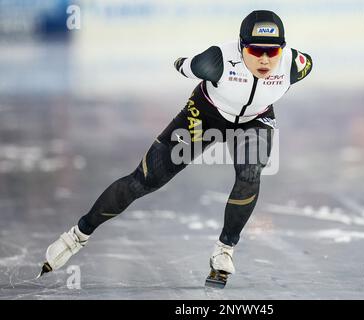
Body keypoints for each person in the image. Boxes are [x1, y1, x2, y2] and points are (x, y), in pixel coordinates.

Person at [39, 10, 313, 288]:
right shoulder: (215, 61)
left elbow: (293, 63)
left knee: (250, 174)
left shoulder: (295, 64)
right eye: (256, 50)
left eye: (273, 51)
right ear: (242, 46)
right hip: (205, 115)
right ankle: (77, 235)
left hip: (255, 119)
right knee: (144, 181)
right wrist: (182, 62)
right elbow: (183, 65)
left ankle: (225, 250)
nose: (265, 59)